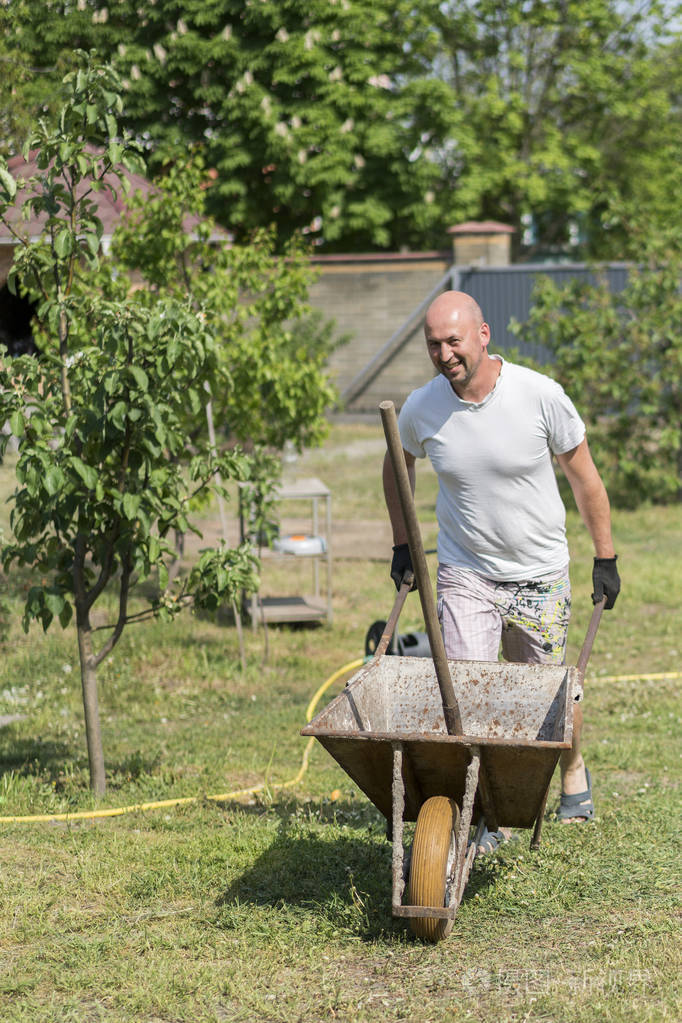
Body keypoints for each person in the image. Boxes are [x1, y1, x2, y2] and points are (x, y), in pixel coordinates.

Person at [382, 290, 620, 843]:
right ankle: (485, 809)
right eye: (434, 345)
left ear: (483, 335)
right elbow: (397, 466)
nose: (444, 355)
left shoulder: (540, 396)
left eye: (454, 342)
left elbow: (584, 478)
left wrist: (604, 555)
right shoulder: (423, 407)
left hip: (539, 573)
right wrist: (402, 543)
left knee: (548, 698)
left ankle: (573, 767)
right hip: (468, 573)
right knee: (468, 694)